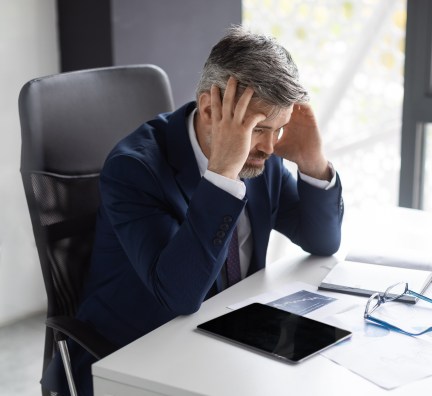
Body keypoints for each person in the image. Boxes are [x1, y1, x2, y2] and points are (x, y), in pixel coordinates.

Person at [42, 26, 343, 396]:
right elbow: (180, 295)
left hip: (225, 343)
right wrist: (222, 176)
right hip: (132, 357)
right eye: (259, 129)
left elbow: (322, 240)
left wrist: (313, 163)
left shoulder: (262, 155)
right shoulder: (135, 170)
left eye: (278, 129)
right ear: (208, 109)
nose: (270, 146)